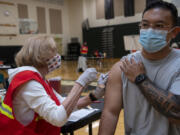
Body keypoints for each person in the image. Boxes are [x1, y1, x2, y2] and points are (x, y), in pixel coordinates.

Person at [98, 1, 180, 135]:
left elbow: (177, 114)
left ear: (174, 32)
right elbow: (110, 113)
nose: (150, 30)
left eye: (159, 26)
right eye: (145, 25)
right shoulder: (122, 67)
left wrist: (140, 78)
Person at [0, 36, 97, 135]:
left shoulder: (38, 78)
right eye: (54, 52)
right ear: (41, 56)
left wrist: (94, 95)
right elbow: (58, 117)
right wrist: (80, 83)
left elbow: (63, 104)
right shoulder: (29, 82)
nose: (57, 56)